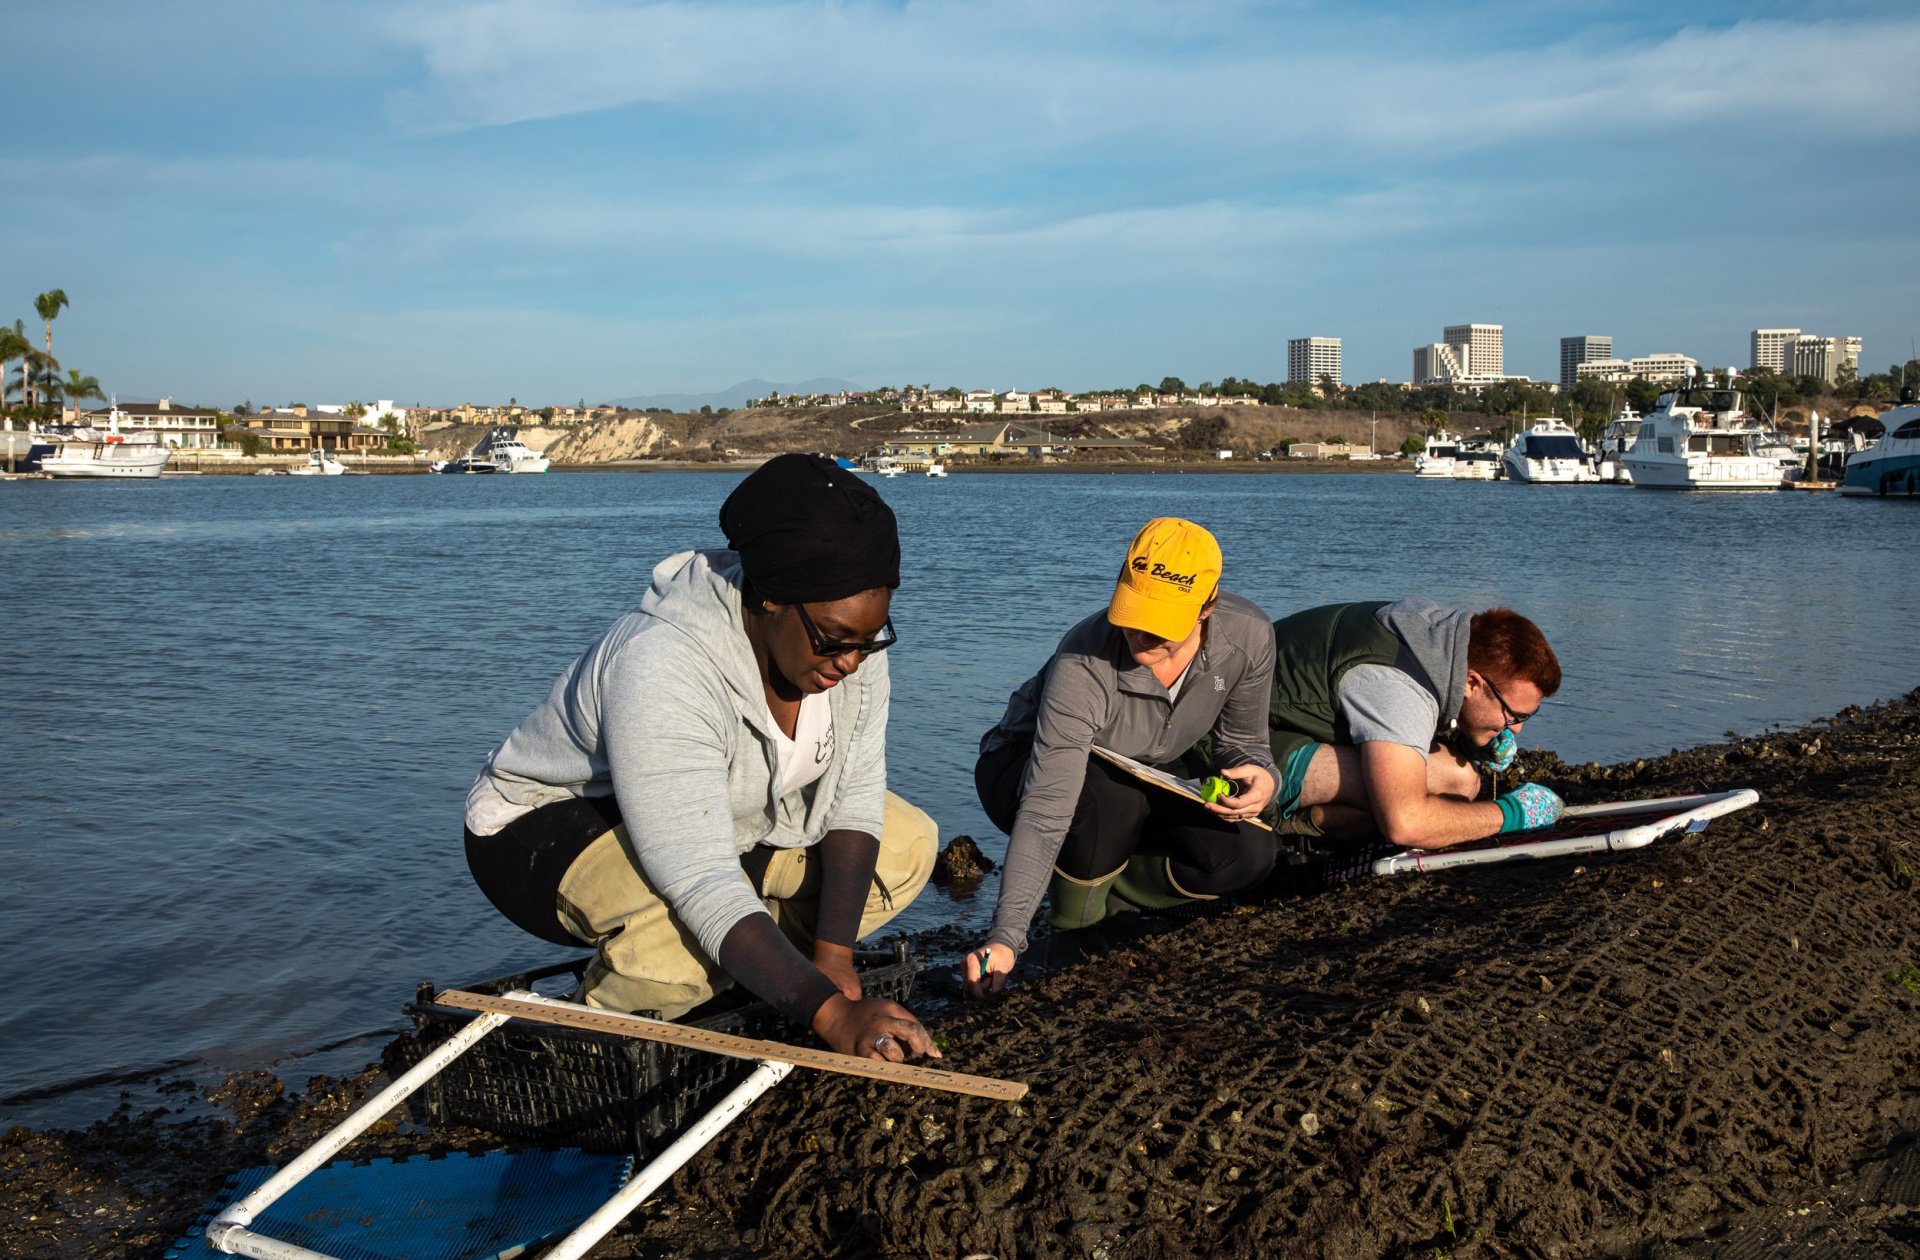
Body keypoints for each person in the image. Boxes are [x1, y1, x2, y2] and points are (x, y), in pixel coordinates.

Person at [463, 454, 941, 1062]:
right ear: (768, 598)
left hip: (729, 823)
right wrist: (831, 1016)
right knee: (671, 945)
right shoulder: (663, 663)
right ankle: (590, 1039)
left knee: (907, 847)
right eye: (835, 639)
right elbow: (700, 878)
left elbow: (855, 800)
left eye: (871, 638)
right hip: (548, 824)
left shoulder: (853, 649)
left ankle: (742, 966)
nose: (851, 662)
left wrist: (832, 963)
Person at [963, 518, 1278, 997]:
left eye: (1162, 623)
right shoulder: (1083, 662)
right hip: (1024, 768)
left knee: (1249, 853)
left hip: (1149, 770)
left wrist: (1264, 777)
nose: (1141, 634)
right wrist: (1006, 938)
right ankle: (1073, 927)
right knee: (1110, 802)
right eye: (1134, 611)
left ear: (1206, 608)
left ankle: (1113, 896)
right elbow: (1047, 810)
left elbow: (1243, 744)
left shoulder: (1249, 637)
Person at [1265, 599, 1565, 850]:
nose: (1517, 729)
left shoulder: (1442, 636)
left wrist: (1464, 739)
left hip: (1286, 721)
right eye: (1514, 715)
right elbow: (1406, 824)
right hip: (1241, 747)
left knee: (1459, 778)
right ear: (1472, 682)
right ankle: (1280, 822)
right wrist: (1512, 815)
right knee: (1447, 784)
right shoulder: (1397, 691)